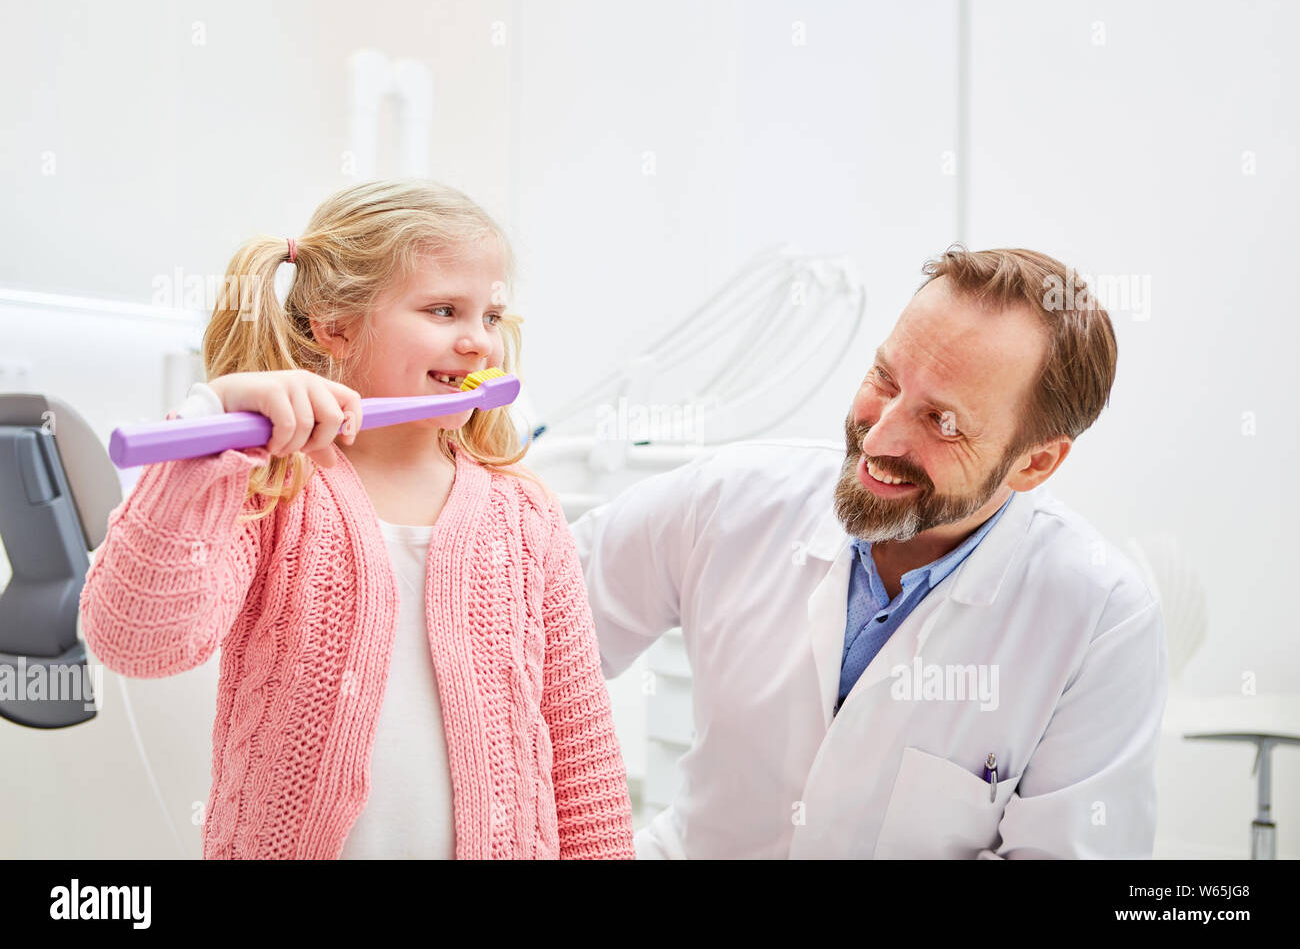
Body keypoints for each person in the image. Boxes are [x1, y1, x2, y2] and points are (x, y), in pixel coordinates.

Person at [79, 179, 635, 860]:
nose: (478, 344)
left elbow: (581, 752)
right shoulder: (271, 487)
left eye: (490, 317)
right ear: (335, 326)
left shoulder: (525, 514)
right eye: (442, 310)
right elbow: (136, 641)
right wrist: (207, 435)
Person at [572, 246, 1168, 859]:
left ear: (1035, 462)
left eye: (943, 421)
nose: (879, 437)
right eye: (885, 379)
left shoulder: (1100, 620)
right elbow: (516, 640)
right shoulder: (728, 498)